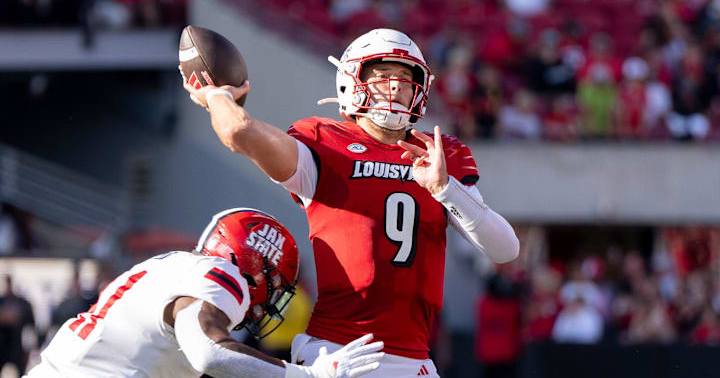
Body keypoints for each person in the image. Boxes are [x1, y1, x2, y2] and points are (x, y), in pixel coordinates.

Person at [182, 28, 520, 377]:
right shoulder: (324, 142)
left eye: (406, 77)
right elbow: (240, 132)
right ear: (351, 80)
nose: (396, 86)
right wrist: (216, 96)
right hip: (342, 352)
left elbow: (505, 250)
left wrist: (445, 188)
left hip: (416, 359)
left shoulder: (439, 152)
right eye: (382, 75)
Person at [24, 208, 384, 378]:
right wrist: (309, 376)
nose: (268, 303)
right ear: (255, 266)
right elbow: (209, 352)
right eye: (272, 285)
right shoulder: (219, 272)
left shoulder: (169, 268)